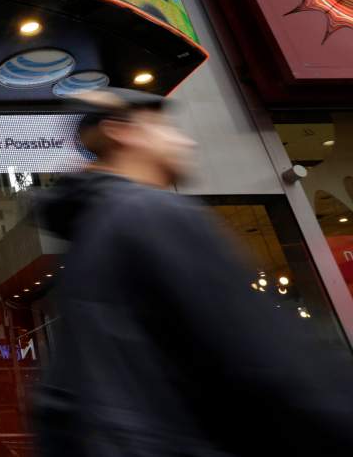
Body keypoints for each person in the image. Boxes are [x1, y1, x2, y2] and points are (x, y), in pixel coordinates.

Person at [34, 88, 353, 456]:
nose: (184, 140)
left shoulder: (88, 234)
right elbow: (273, 361)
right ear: (121, 132)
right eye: (164, 126)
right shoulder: (154, 214)